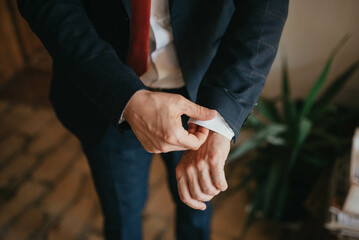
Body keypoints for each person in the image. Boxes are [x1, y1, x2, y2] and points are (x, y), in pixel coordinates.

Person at [17, 0, 288, 239]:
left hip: (200, 93)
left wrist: (219, 120)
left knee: (197, 212)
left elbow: (264, 6)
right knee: (122, 218)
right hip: (106, 93)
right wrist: (123, 96)